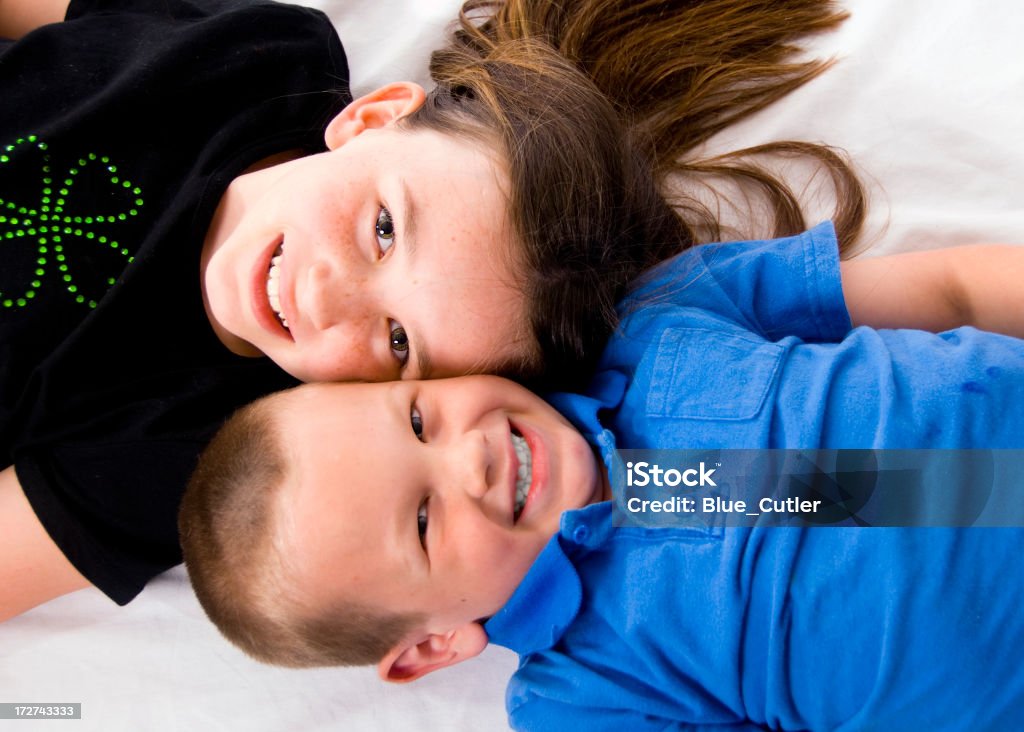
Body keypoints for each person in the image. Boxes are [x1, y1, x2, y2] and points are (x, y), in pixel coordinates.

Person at [0, 0, 862, 622]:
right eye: (383, 229)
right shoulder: (259, 58)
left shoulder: (200, 454)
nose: (326, 294)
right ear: (372, 119)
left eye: (400, 342)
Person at [179, 224, 1024, 729]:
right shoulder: (582, 698)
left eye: (416, 420)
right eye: (425, 521)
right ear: (435, 644)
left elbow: (948, 289)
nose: (467, 455)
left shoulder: (655, 319)